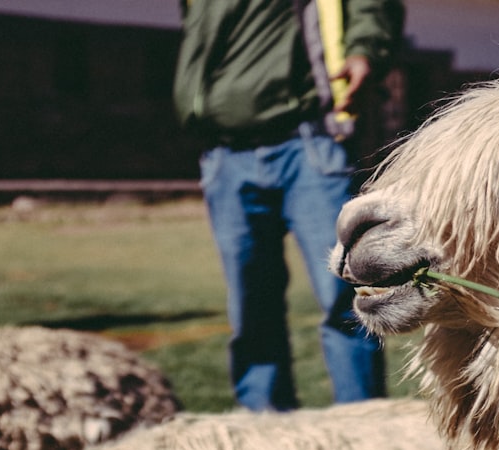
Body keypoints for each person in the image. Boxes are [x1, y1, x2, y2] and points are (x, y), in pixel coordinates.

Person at [173, 0, 404, 411]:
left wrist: (364, 50)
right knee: (250, 305)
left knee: (344, 297)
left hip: (308, 144)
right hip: (225, 155)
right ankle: (266, 432)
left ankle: (363, 431)